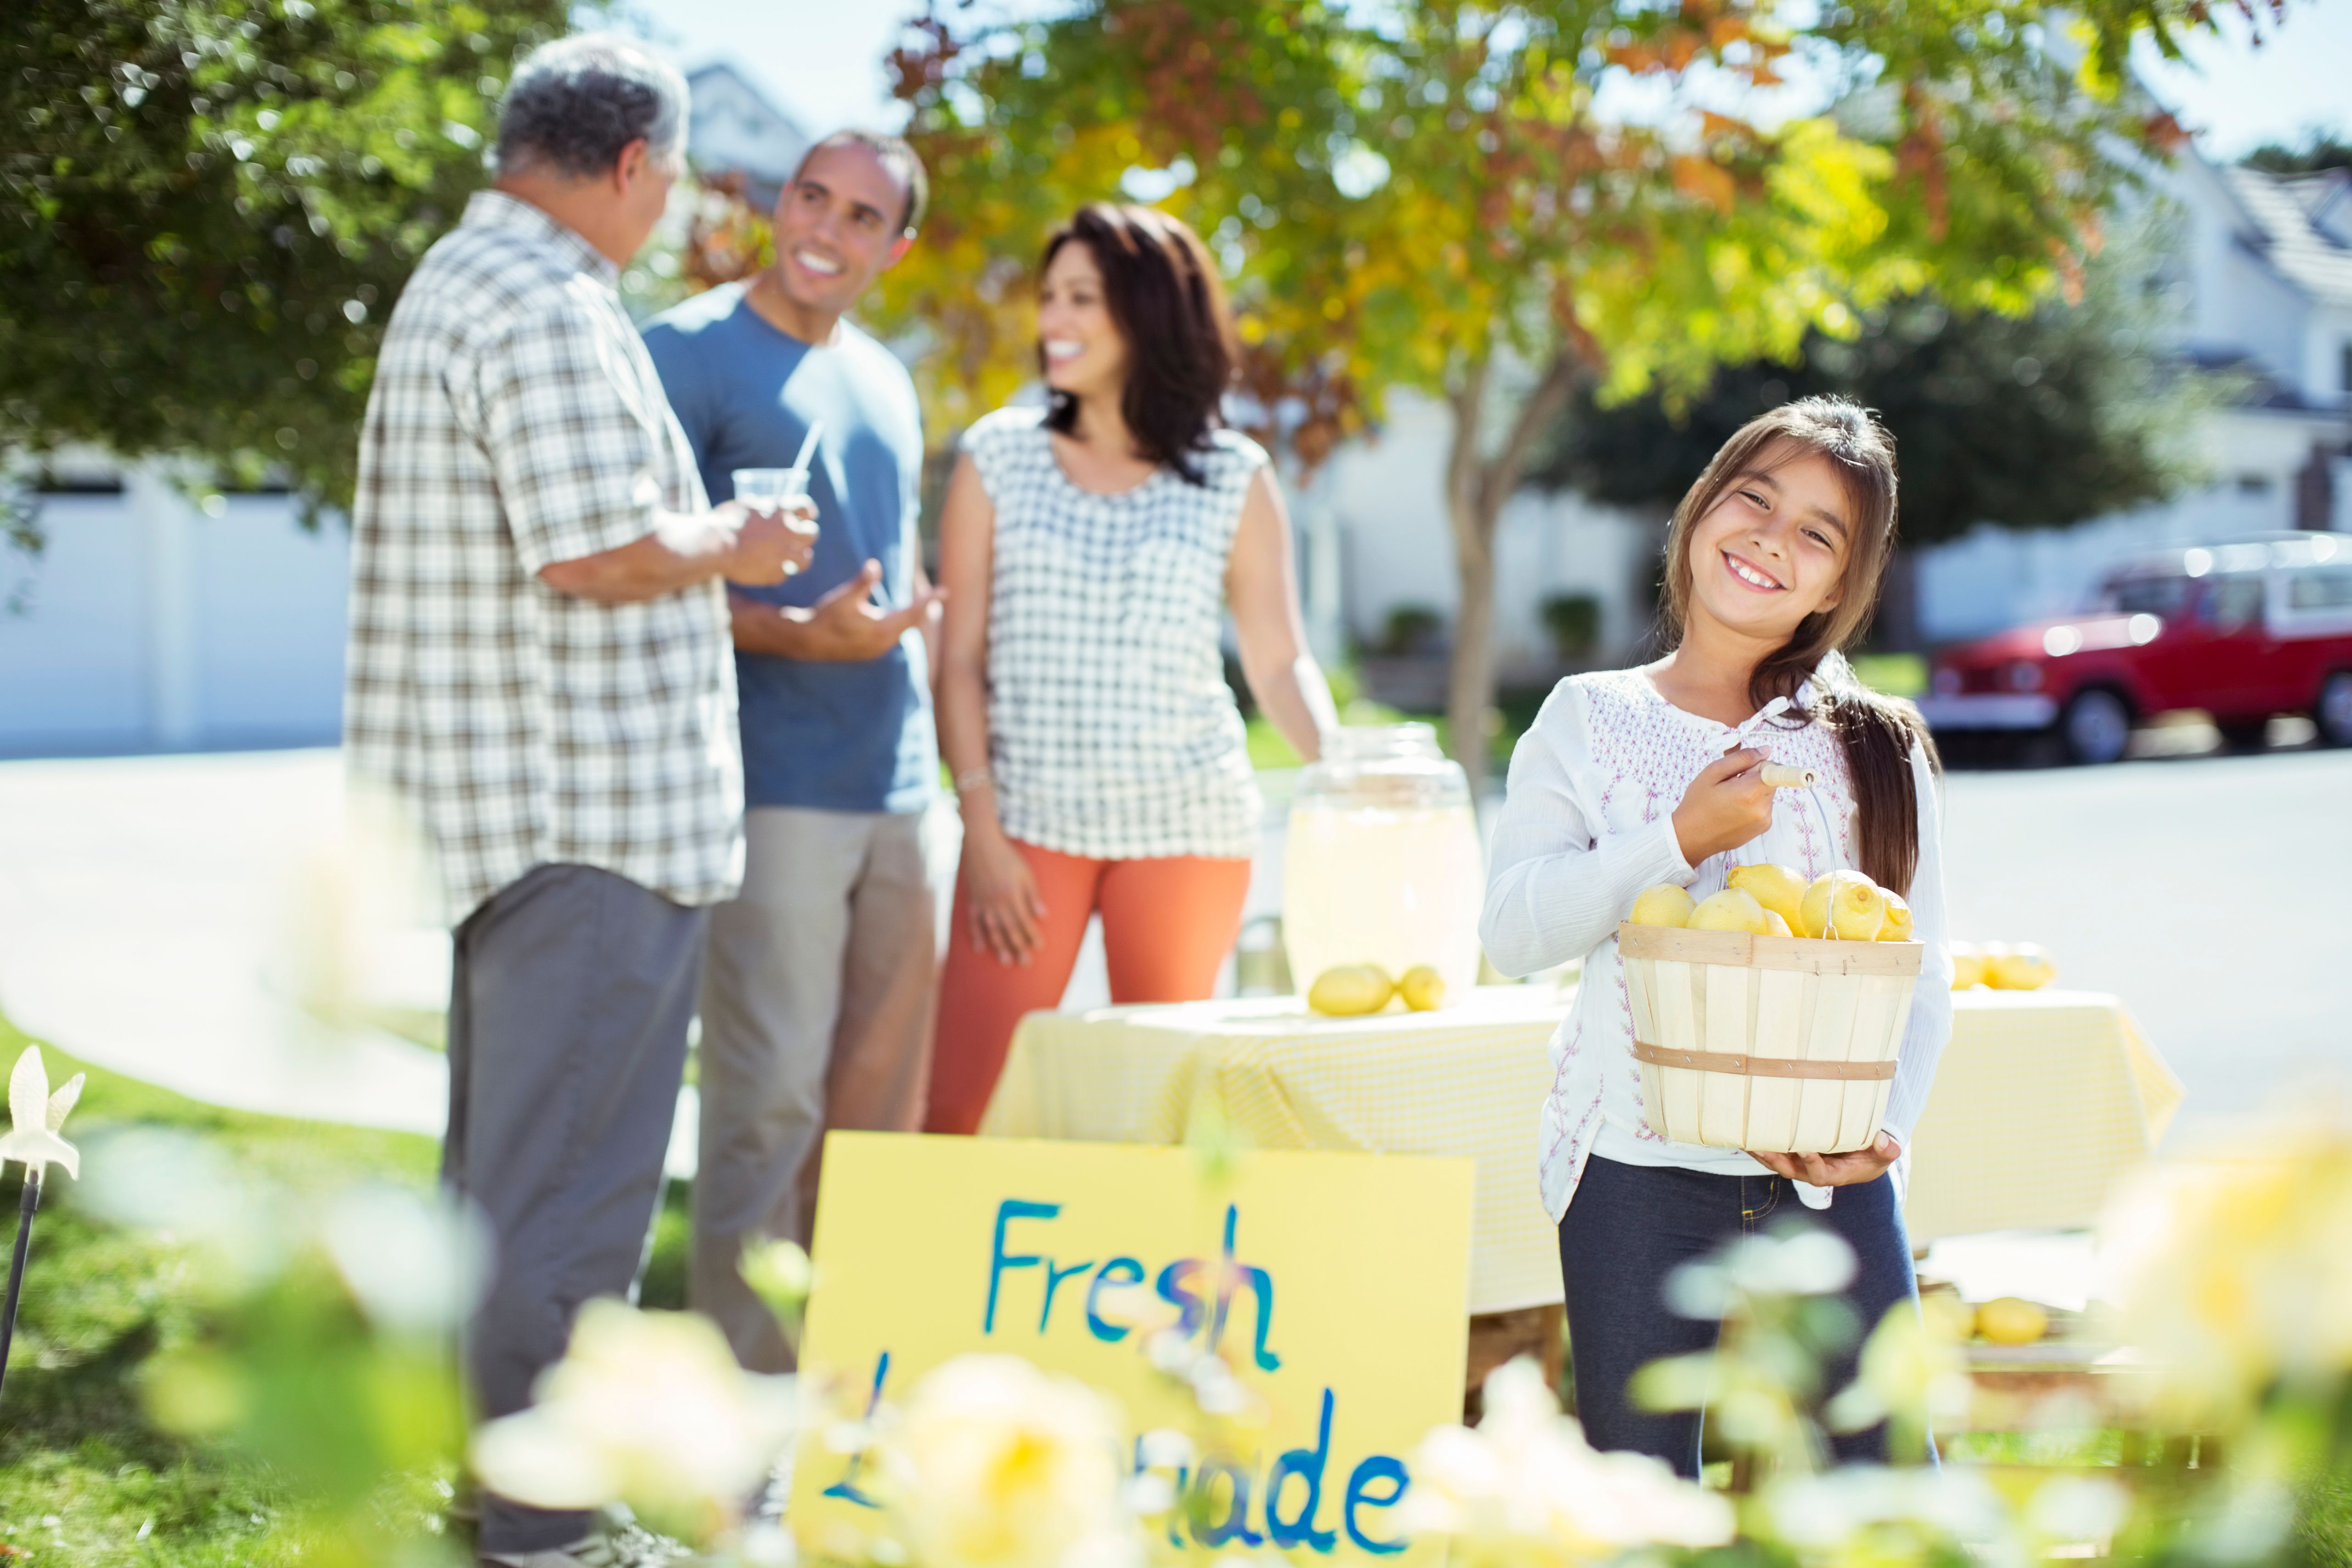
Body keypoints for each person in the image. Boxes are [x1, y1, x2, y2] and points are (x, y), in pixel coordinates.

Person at [343, 36, 812, 1566]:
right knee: (569, 1202)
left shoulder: (464, 277)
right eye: (667, 177)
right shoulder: (542, 298)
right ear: (627, 164)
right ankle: (545, 1531)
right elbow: (590, 547)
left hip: (524, 816)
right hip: (588, 817)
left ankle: (499, 1494)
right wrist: (735, 538)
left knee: (505, 1189)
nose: (668, 206)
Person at [1479, 397, 1954, 1475]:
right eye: (1753, 500)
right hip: (1632, 1166)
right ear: (1699, 511)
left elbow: (1920, 978)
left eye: (1816, 534)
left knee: (1882, 1485)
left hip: (1826, 1174)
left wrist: (1874, 1132)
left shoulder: (1877, 747)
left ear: (1837, 588)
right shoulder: (1587, 717)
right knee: (1638, 1496)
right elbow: (1512, 933)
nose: (1771, 541)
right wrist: (1675, 839)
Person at [923, 203, 1337, 1135]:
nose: (1053, 321)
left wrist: (1346, 770)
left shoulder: (1233, 474)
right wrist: (979, 827)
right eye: (1049, 297)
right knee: (961, 1110)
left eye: (1082, 299)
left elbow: (1279, 663)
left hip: (1187, 826)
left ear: (1147, 314)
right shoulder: (997, 456)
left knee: (1159, 1117)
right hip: (1026, 825)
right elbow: (959, 659)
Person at [640, 131, 943, 1374]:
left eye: (863, 215)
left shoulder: (887, 381)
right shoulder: (685, 354)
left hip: (901, 787)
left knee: (878, 1111)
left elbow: (891, 565)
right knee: (768, 1102)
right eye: (813, 197)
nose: (827, 228)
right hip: (772, 786)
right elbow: (630, 569)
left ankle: (850, 1378)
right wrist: (789, 632)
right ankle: (744, 1404)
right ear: (780, 204)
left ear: (895, 247)